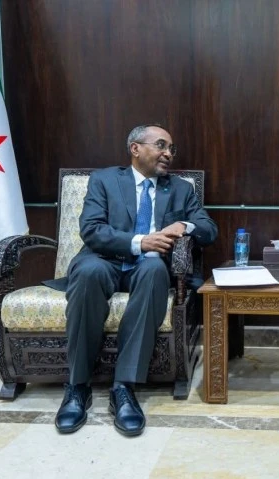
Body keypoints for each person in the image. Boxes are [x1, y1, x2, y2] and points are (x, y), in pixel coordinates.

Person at [47, 124, 217, 436]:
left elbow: (209, 229)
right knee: (88, 272)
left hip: (147, 268)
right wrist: (140, 242)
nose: (168, 153)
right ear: (135, 148)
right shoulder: (105, 180)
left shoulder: (180, 189)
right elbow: (92, 230)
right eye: (161, 145)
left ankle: (123, 387)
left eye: (171, 148)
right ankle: (77, 386)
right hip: (104, 259)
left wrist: (184, 225)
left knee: (154, 270)